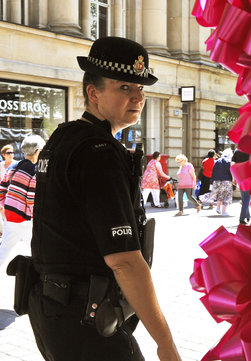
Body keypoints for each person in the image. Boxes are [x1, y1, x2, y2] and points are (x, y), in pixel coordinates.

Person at [27, 37, 181, 361]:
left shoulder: (63, 137)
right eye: (125, 87)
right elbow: (124, 260)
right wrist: (165, 343)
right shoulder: (98, 152)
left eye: (141, 88)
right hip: (85, 319)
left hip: (55, 311)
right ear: (93, 93)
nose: (138, 96)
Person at [0, 135, 45, 267]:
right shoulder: (35, 171)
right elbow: (31, 198)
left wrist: (7, 206)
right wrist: (32, 216)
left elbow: (2, 189)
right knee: (39, 250)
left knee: (4, 250)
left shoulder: (13, 166)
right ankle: (41, 282)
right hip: (24, 220)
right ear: (37, 151)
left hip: (9, 216)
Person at [0, 144, 19, 234]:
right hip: (2, 191)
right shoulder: (0, 165)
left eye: (12, 152)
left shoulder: (17, 164)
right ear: (3, 154)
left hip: (13, 192)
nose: (11, 154)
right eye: (9, 153)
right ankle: (4, 231)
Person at [211, 148, 233, 216]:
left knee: (220, 194)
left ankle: (218, 207)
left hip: (217, 180)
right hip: (227, 180)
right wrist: (233, 180)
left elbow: (213, 171)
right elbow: (231, 171)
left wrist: (212, 180)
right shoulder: (229, 161)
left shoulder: (217, 161)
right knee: (227, 195)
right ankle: (224, 211)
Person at [231, 148, 251, 224]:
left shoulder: (237, 151)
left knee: (244, 198)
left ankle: (247, 215)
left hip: (240, 177)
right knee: (247, 198)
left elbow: (232, 165)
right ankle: (242, 218)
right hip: (250, 177)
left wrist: (234, 178)